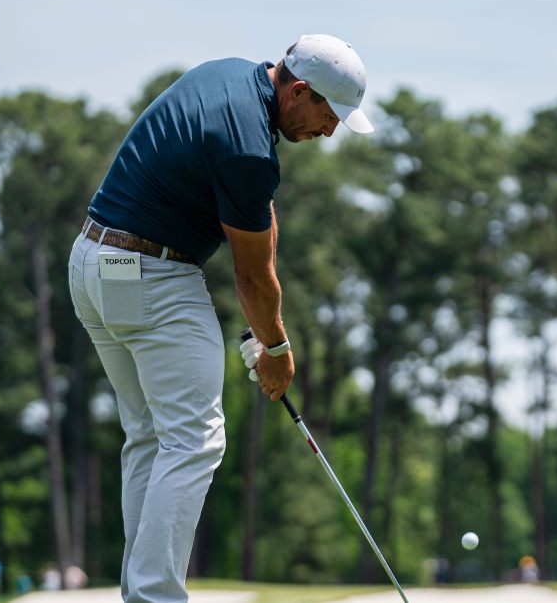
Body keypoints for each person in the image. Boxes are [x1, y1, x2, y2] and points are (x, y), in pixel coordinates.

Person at [67, 34, 373, 603]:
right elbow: (253, 278)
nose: (330, 132)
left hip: (97, 261)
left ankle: (142, 594)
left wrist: (264, 333)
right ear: (300, 91)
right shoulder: (251, 151)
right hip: (150, 270)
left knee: (153, 435)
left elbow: (258, 213)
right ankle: (155, 597)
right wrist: (277, 352)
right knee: (195, 440)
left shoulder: (231, 75)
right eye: (329, 115)